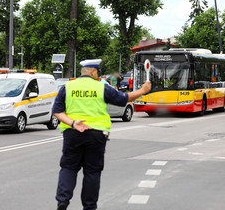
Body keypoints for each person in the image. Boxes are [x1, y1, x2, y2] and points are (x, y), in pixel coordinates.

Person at [52, 59, 151, 210]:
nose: (97, 74)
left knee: (69, 167)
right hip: (96, 135)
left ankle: (63, 201)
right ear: (92, 71)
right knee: (92, 172)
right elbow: (124, 99)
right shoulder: (101, 87)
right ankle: (89, 206)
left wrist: (73, 123)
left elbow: (57, 111)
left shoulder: (67, 87)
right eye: (97, 71)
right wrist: (143, 91)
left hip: (73, 133)